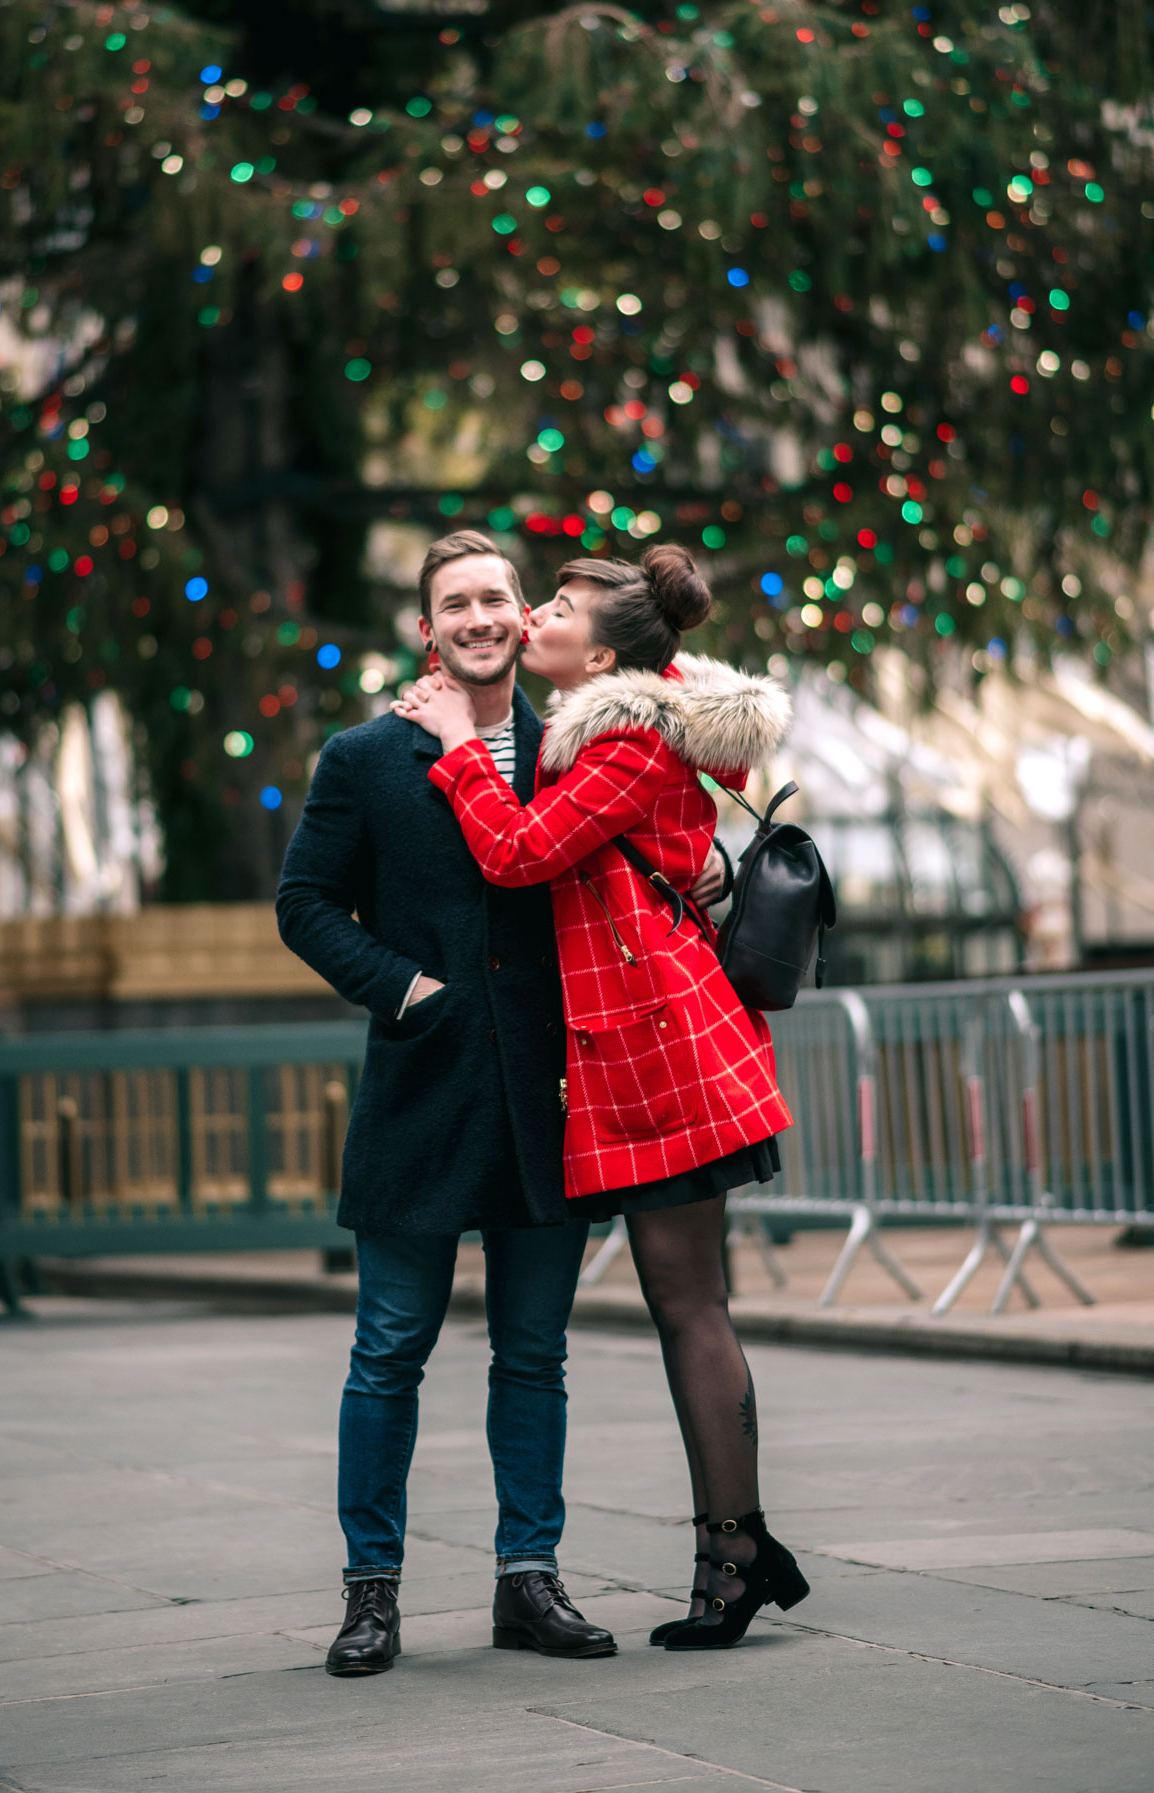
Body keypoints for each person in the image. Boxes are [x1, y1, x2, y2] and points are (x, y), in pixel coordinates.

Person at [277, 531, 727, 1677]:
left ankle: (528, 1582)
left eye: (495, 598)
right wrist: (406, 992)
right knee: (388, 1351)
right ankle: (368, 1594)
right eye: (454, 605)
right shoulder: (363, 758)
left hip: (549, 1102)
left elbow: (665, 768)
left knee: (534, 1355)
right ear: (426, 632)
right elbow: (306, 904)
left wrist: (709, 866)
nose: (478, 618)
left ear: (525, 619)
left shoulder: (577, 748)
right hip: (420, 1093)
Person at [393, 543, 811, 1650]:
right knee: (688, 1302)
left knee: (687, 1303)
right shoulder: (626, 719)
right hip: (654, 1033)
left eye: (558, 611)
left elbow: (519, 854)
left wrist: (450, 747)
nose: (531, 620)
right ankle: (736, 1549)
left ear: (607, 651)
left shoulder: (623, 738)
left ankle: (736, 1556)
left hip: (661, 1043)